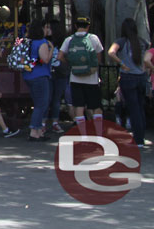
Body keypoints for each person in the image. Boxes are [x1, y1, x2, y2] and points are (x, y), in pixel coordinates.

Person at [107, 18, 153, 148]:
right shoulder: (143, 42)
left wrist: (122, 64)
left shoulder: (121, 41)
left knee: (133, 108)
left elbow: (111, 52)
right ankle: (141, 136)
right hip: (141, 77)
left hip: (128, 77)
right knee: (140, 107)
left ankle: (138, 140)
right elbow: (145, 60)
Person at [58, 16, 105, 134]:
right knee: (96, 107)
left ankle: (83, 134)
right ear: (88, 26)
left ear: (75, 26)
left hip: (75, 79)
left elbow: (60, 56)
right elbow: (99, 58)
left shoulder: (69, 40)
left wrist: (71, 63)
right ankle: (98, 133)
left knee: (79, 107)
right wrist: (92, 67)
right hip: (92, 80)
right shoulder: (93, 38)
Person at [22, 19, 53, 142]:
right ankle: (34, 131)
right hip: (40, 75)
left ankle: (39, 131)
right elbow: (45, 59)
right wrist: (51, 49)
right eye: (46, 27)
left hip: (29, 75)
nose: (47, 30)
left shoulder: (28, 42)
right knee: (42, 104)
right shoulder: (42, 42)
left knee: (38, 103)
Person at [44, 16, 70, 134]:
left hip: (60, 73)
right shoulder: (44, 42)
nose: (47, 29)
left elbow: (67, 57)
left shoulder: (64, 42)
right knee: (47, 98)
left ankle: (55, 122)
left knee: (56, 99)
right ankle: (43, 122)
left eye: (49, 27)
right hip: (48, 73)